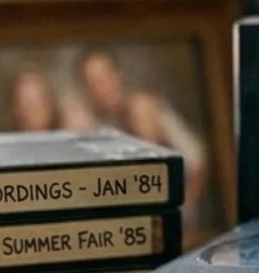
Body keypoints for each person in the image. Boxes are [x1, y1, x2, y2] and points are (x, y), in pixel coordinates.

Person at [62, 48, 211, 235]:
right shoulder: (90, 124)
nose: (101, 87)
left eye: (104, 78)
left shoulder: (146, 107)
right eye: (92, 83)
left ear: (118, 75)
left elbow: (197, 160)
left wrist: (184, 206)